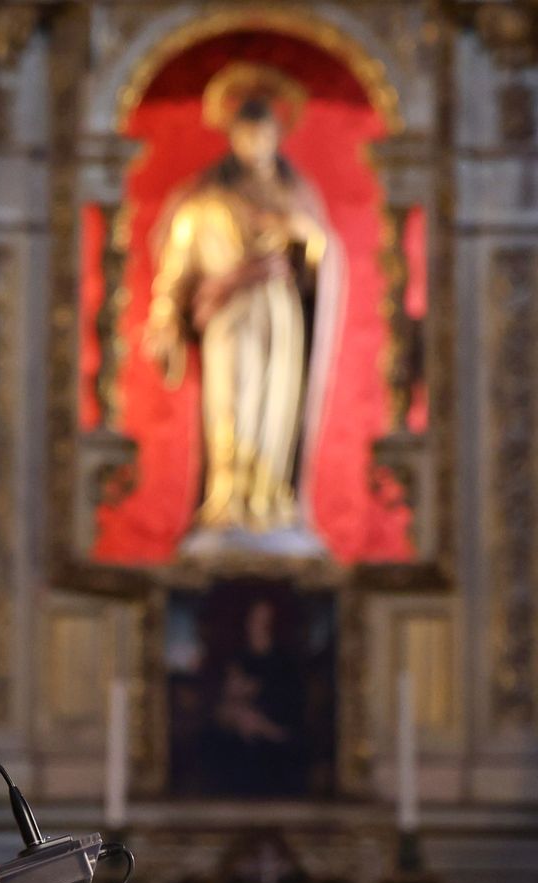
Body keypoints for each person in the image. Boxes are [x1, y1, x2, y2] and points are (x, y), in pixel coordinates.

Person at [143, 63, 343, 541]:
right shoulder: (203, 203)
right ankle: (228, 501)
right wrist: (165, 320)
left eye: (263, 133)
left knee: (277, 410)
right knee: (234, 404)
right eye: (245, 133)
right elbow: (175, 271)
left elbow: (324, 261)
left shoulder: (297, 198)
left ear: (278, 135)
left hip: (283, 316)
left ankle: (271, 500)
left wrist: (308, 239)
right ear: (232, 136)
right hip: (231, 320)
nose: (254, 143)